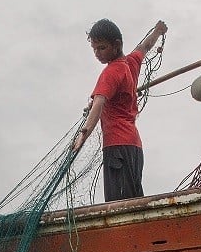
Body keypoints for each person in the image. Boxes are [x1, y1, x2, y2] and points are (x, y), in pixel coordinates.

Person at [71, 18, 168, 202]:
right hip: (134, 148)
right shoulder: (130, 63)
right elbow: (145, 46)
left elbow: (98, 104)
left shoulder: (111, 72)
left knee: (119, 206)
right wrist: (158, 31)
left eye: (101, 48)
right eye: (94, 49)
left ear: (116, 45)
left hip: (117, 148)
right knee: (132, 202)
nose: (97, 54)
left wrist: (82, 136)